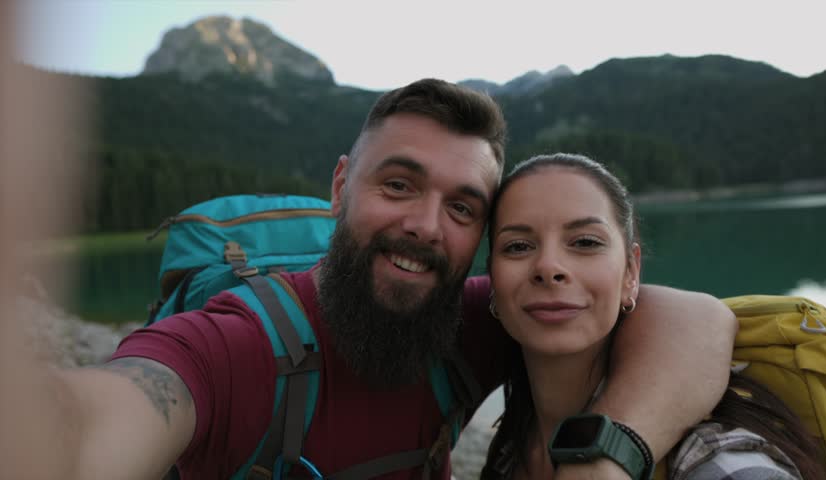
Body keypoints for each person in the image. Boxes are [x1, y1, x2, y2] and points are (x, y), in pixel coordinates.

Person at [0, 76, 738, 480]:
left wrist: (601, 461)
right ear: (340, 188)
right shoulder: (235, 346)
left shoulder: (477, 316)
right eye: (398, 185)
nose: (425, 224)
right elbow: (93, 420)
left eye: (461, 206)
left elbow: (701, 320)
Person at [480, 153, 825, 480]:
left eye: (585, 242)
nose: (548, 267)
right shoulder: (513, 446)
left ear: (631, 273)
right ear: (492, 277)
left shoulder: (714, 459)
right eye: (518, 246)